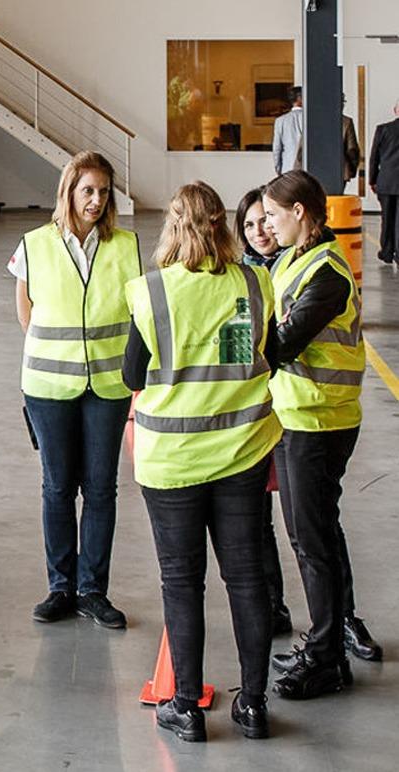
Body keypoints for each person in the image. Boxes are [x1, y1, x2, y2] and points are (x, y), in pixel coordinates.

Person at [124, 181, 280, 743]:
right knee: (247, 579)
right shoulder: (252, 281)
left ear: (173, 226)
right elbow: (260, 355)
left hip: (172, 462)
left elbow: (130, 376)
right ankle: (255, 705)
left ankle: (186, 706)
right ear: (223, 224)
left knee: (182, 583)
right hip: (241, 454)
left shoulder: (151, 291)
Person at [10, 151, 142, 629]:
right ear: (68, 192)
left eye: (104, 192)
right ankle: (60, 586)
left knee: (102, 489)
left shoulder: (126, 244)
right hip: (48, 384)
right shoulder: (33, 244)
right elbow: (25, 313)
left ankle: (93, 590)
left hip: (107, 385)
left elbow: (137, 311)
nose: (96, 200)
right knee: (58, 486)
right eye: (88, 190)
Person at [260, 170, 373, 699]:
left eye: (275, 215)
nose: (268, 225)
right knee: (315, 534)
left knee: (312, 541)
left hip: (320, 421)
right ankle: (327, 644)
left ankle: (327, 657)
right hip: (298, 416)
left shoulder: (327, 273)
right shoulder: (292, 260)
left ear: (300, 212)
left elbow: (281, 342)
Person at [235, 187, 292, 637]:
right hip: (256, 412)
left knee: (309, 523)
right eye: (250, 225)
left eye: (265, 222)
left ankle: (342, 618)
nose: (260, 233)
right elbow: (236, 351)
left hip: (296, 410)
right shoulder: (239, 280)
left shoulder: (296, 269)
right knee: (258, 521)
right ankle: (274, 606)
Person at [370, 99, 399, 263]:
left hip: (386, 181)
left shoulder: (383, 129)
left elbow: (375, 157)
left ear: (395, 110)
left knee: (387, 218)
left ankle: (387, 252)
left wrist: (372, 179)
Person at [272, 86, 304, 176]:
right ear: (299, 98)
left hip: (288, 168)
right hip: (308, 169)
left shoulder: (280, 121)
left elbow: (277, 148)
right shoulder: (311, 118)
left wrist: (278, 169)